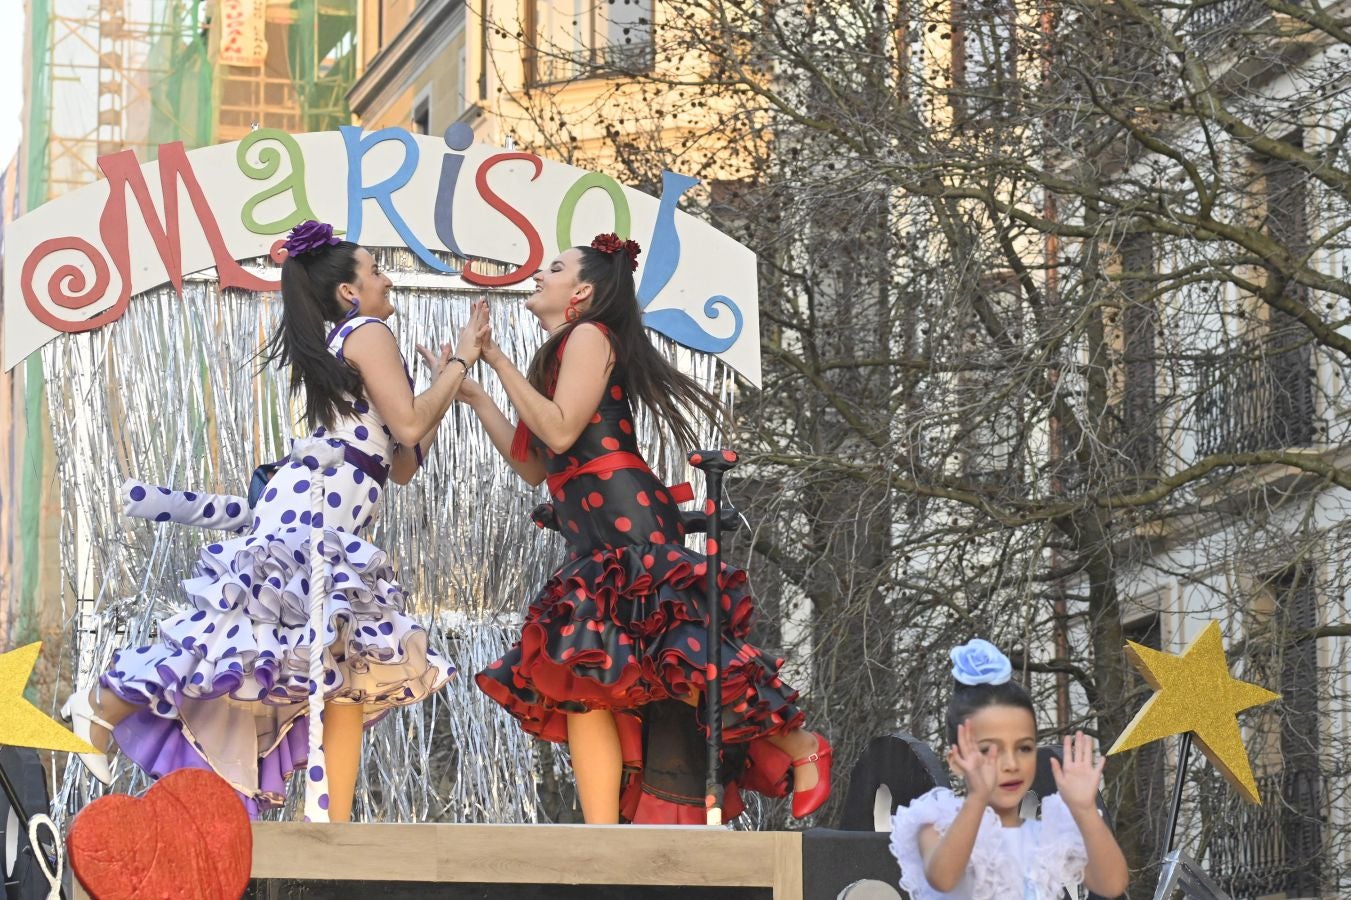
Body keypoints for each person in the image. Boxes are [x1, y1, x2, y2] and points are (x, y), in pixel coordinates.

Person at [62, 220, 486, 821]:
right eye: (375, 270)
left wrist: (447, 380)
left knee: (340, 668)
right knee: (232, 640)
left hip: (334, 522)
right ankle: (103, 703)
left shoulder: (360, 337)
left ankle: (333, 822)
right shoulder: (369, 331)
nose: (387, 279)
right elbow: (412, 427)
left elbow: (405, 460)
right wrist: (462, 361)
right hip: (312, 516)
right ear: (348, 291)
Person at [462, 232, 832, 824]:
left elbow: (558, 432)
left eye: (553, 268)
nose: (539, 274)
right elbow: (535, 464)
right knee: (583, 682)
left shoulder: (589, 335)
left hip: (625, 518)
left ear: (581, 291)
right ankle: (603, 836)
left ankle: (799, 744)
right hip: (591, 530)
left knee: (678, 654)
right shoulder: (562, 348)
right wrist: (477, 392)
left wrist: (496, 359)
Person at [888, 639, 1130, 899]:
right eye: (989, 751)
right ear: (957, 760)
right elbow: (943, 878)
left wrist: (1084, 810)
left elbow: (1112, 884)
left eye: (1023, 748)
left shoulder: (1045, 838)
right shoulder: (936, 824)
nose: (1011, 764)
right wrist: (977, 798)